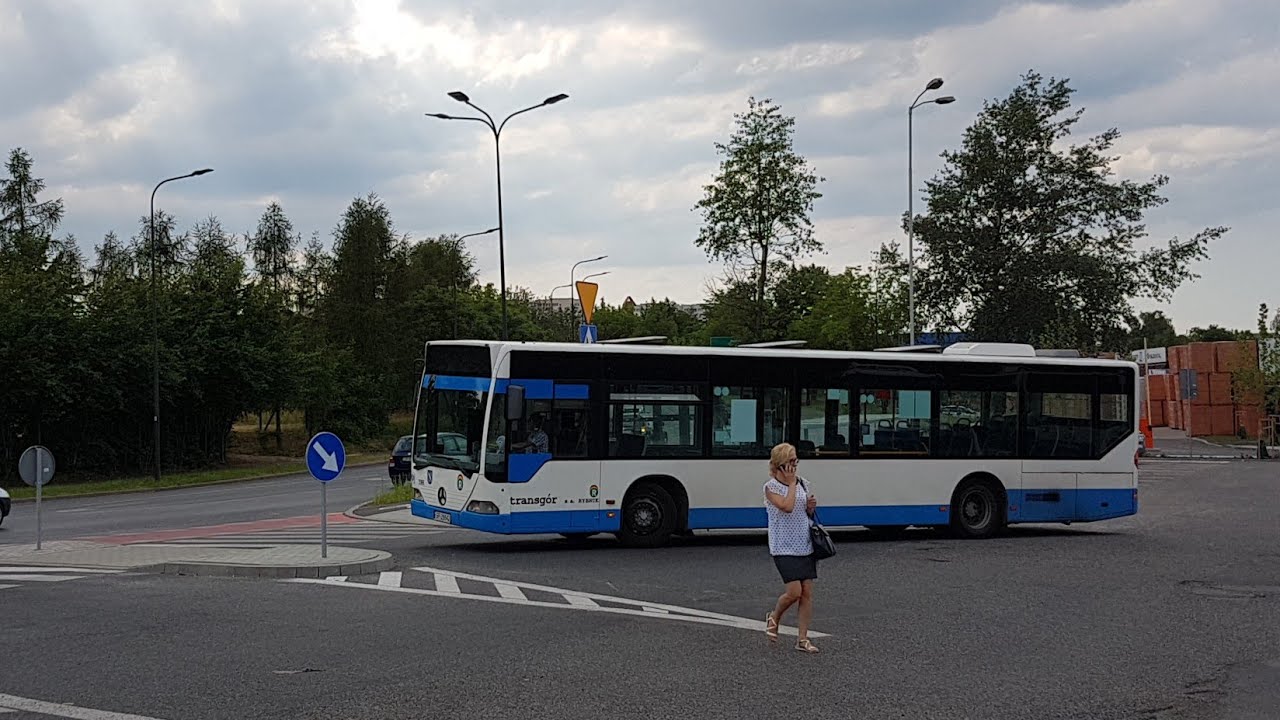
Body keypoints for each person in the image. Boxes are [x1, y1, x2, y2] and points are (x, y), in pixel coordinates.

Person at [763, 442, 820, 653]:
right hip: (783, 546)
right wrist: (791, 484)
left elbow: (803, 512)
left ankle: (802, 639)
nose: (795, 465)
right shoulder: (771, 487)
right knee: (794, 592)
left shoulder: (804, 483)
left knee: (806, 593)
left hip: (804, 543)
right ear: (780, 464)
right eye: (791, 461)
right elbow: (786, 507)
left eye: (796, 460)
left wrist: (810, 508)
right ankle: (774, 616)